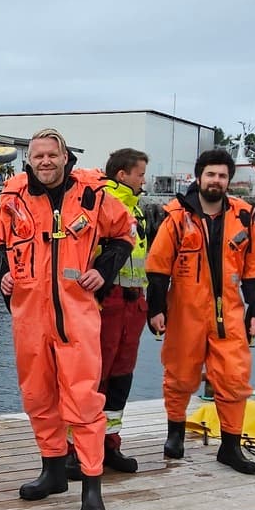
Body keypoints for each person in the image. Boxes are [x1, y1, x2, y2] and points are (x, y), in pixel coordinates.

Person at [0, 129, 135, 510]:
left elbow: (123, 236)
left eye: (53, 155)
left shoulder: (94, 195)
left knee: (84, 402)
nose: (45, 162)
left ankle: (91, 485)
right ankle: (53, 471)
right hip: (29, 317)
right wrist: (4, 275)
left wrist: (103, 271)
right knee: (38, 396)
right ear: (29, 159)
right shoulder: (13, 197)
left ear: (65, 157)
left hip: (76, 315)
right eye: (38, 156)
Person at [146, 148, 255, 474]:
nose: (216, 181)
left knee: (234, 378)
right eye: (211, 174)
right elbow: (158, 269)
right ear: (198, 177)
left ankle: (230, 446)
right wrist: (155, 309)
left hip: (228, 311)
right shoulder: (175, 216)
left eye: (222, 176)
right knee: (180, 375)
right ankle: (175, 434)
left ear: (229, 180)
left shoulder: (244, 216)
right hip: (185, 310)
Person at [75, 148, 149, 476]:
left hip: (134, 306)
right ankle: (76, 449)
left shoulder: (139, 212)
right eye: (140, 174)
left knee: (121, 378)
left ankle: (109, 444)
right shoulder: (100, 205)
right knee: (93, 378)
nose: (144, 180)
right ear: (122, 175)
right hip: (106, 305)